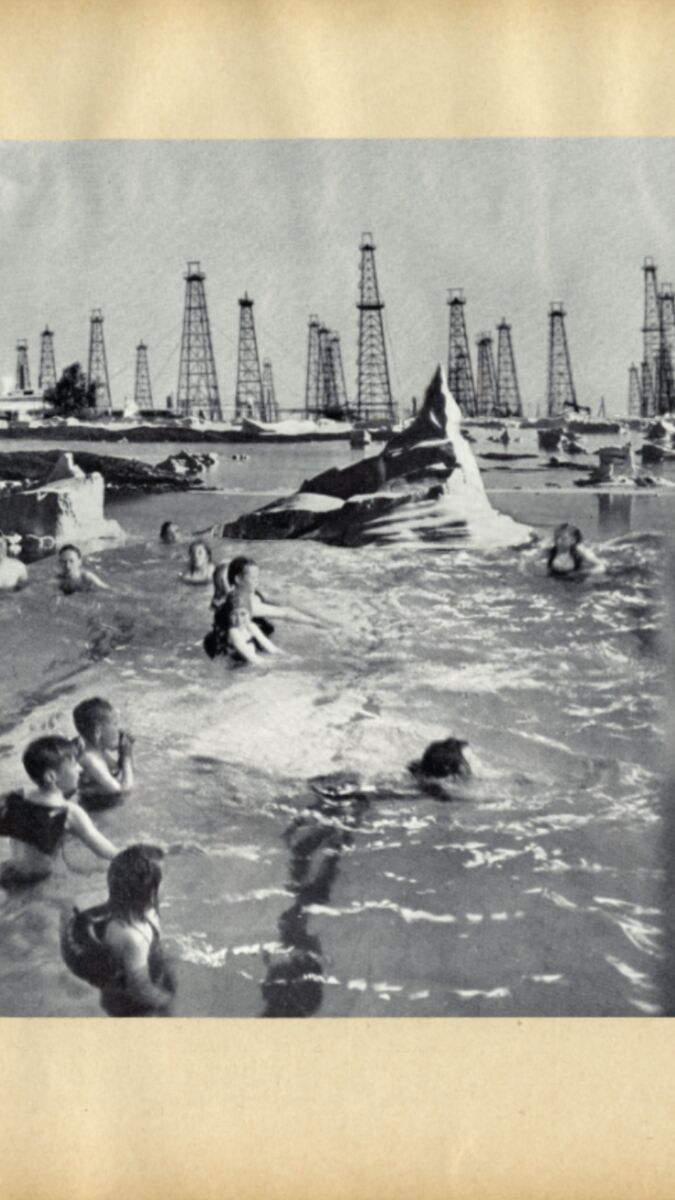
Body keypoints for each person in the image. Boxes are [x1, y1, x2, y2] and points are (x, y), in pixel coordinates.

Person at [61, 843, 176, 1017]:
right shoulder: (133, 937)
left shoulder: (131, 907)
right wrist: (167, 1001)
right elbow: (140, 989)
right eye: (165, 878)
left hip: (109, 954)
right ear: (150, 891)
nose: (169, 881)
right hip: (122, 994)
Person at [0, 735, 119, 885]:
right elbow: (107, 852)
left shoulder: (16, 797)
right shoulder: (69, 812)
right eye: (74, 764)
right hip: (38, 883)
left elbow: (37, 820)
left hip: (7, 873)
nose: (80, 769)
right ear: (51, 776)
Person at [205, 558, 280, 666]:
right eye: (234, 615)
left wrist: (288, 657)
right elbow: (253, 659)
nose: (239, 619)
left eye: (243, 614)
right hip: (236, 667)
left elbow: (271, 648)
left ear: (250, 614)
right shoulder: (233, 633)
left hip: (249, 658)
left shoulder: (251, 625)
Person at [72, 697, 134, 811]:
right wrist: (127, 756)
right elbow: (122, 790)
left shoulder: (95, 748)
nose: (119, 729)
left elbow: (116, 770)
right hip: (96, 811)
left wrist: (122, 753)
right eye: (115, 724)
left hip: (99, 801)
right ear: (98, 732)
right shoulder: (89, 757)